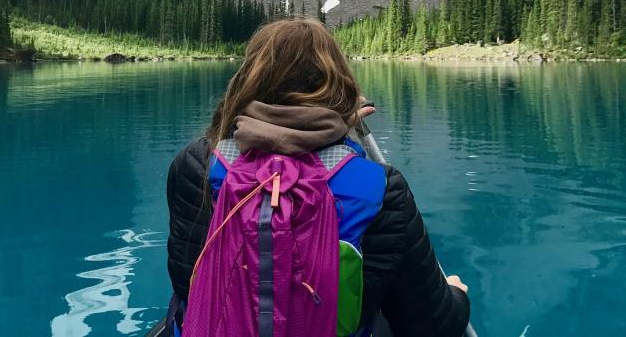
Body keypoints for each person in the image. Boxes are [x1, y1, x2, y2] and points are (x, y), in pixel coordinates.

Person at [163, 17, 470, 337]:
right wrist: (456, 293)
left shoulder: (196, 165)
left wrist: (334, 124)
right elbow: (432, 326)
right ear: (339, 86)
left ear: (249, 80)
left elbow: (186, 283)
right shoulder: (382, 190)